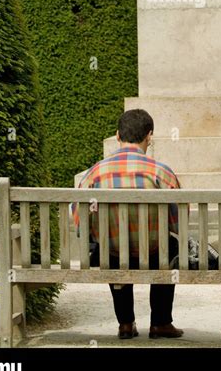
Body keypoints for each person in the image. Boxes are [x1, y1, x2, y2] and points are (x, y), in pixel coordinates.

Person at [74, 109, 183, 340]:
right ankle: (161, 322)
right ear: (149, 136)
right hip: (155, 253)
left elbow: (79, 218)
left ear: (117, 136)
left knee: (112, 249)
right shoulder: (162, 172)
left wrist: (94, 235)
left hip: (112, 254)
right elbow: (177, 222)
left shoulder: (95, 173)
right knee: (170, 248)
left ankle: (125, 323)